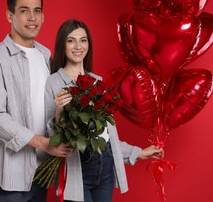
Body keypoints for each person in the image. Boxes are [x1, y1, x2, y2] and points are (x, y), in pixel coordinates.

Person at [45, 19, 164, 202]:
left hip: (105, 164)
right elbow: (52, 137)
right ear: (63, 44)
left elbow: (106, 136)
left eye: (83, 40)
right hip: (78, 165)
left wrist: (138, 152)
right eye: (71, 40)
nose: (78, 46)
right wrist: (60, 111)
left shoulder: (96, 81)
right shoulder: (53, 82)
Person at [0, 0, 72, 202]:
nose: (32, 18)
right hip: (11, 178)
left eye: (37, 10)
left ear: (43, 15)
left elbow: (51, 105)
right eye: (24, 11)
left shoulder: (45, 54)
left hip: (42, 173)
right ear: (9, 15)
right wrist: (45, 143)